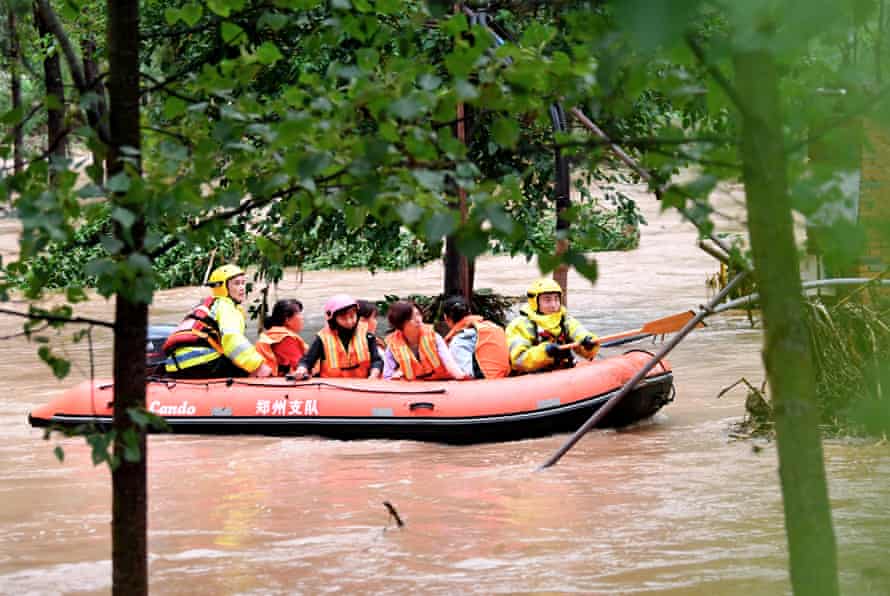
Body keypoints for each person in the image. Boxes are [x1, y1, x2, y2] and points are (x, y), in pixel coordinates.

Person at [163, 264, 273, 378]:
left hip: (173, 365)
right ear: (222, 287)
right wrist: (258, 365)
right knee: (247, 368)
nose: (242, 288)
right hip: (199, 363)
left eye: (243, 283)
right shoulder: (226, 306)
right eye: (236, 283)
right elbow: (232, 340)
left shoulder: (207, 305)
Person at [505, 278, 598, 374]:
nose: (553, 305)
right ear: (535, 302)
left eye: (556, 299)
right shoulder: (520, 325)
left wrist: (588, 344)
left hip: (563, 372)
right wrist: (545, 352)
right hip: (532, 378)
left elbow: (580, 333)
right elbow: (518, 360)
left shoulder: (565, 320)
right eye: (547, 300)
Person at [294, 294, 383, 379]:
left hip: (361, 384)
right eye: (343, 318)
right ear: (333, 320)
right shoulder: (322, 338)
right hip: (332, 387)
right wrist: (302, 369)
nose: (349, 322)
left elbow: (376, 360)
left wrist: (374, 374)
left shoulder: (367, 335)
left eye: (352, 316)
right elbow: (307, 361)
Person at [383, 300, 470, 380]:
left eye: (418, 314)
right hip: (411, 387)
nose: (418, 320)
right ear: (400, 323)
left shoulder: (434, 337)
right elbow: (387, 375)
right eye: (410, 318)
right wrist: (395, 376)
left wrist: (460, 376)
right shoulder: (392, 345)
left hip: (439, 381)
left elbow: (448, 361)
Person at [442, 296, 510, 379]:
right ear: (469, 312)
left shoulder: (460, 340)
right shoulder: (492, 326)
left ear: (446, 317)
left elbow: (465, 375)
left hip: (485, 383)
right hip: (503, 377)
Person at [255, 299, 308, 376]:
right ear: (287, 320)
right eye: (299, 314)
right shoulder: (285, 339)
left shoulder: (274, 335)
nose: (302, 318)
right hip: (285, 384)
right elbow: (302, 368)